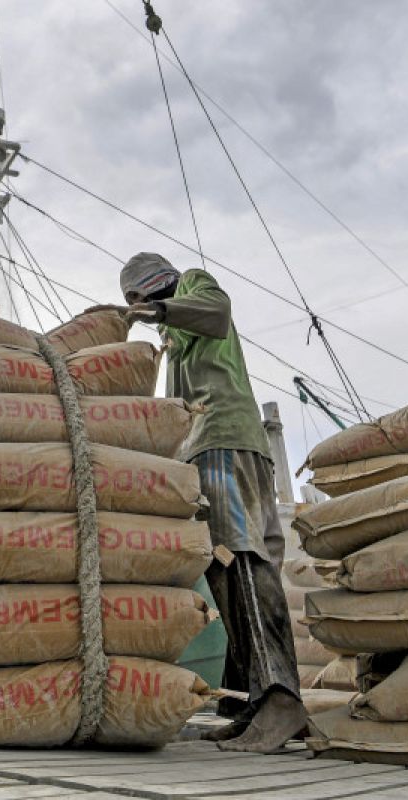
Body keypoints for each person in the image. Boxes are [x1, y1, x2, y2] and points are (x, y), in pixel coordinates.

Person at [90, 252, 305, 753]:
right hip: (206, 451)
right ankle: (258, 700)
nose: (138, 308)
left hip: (226, 442)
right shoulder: (175, 338)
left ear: (153, 290)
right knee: (224, 571)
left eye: (137, 300)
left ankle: (281, 697)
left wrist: (159, 312)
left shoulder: (194, 287)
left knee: (243, 562)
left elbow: (218, 310)